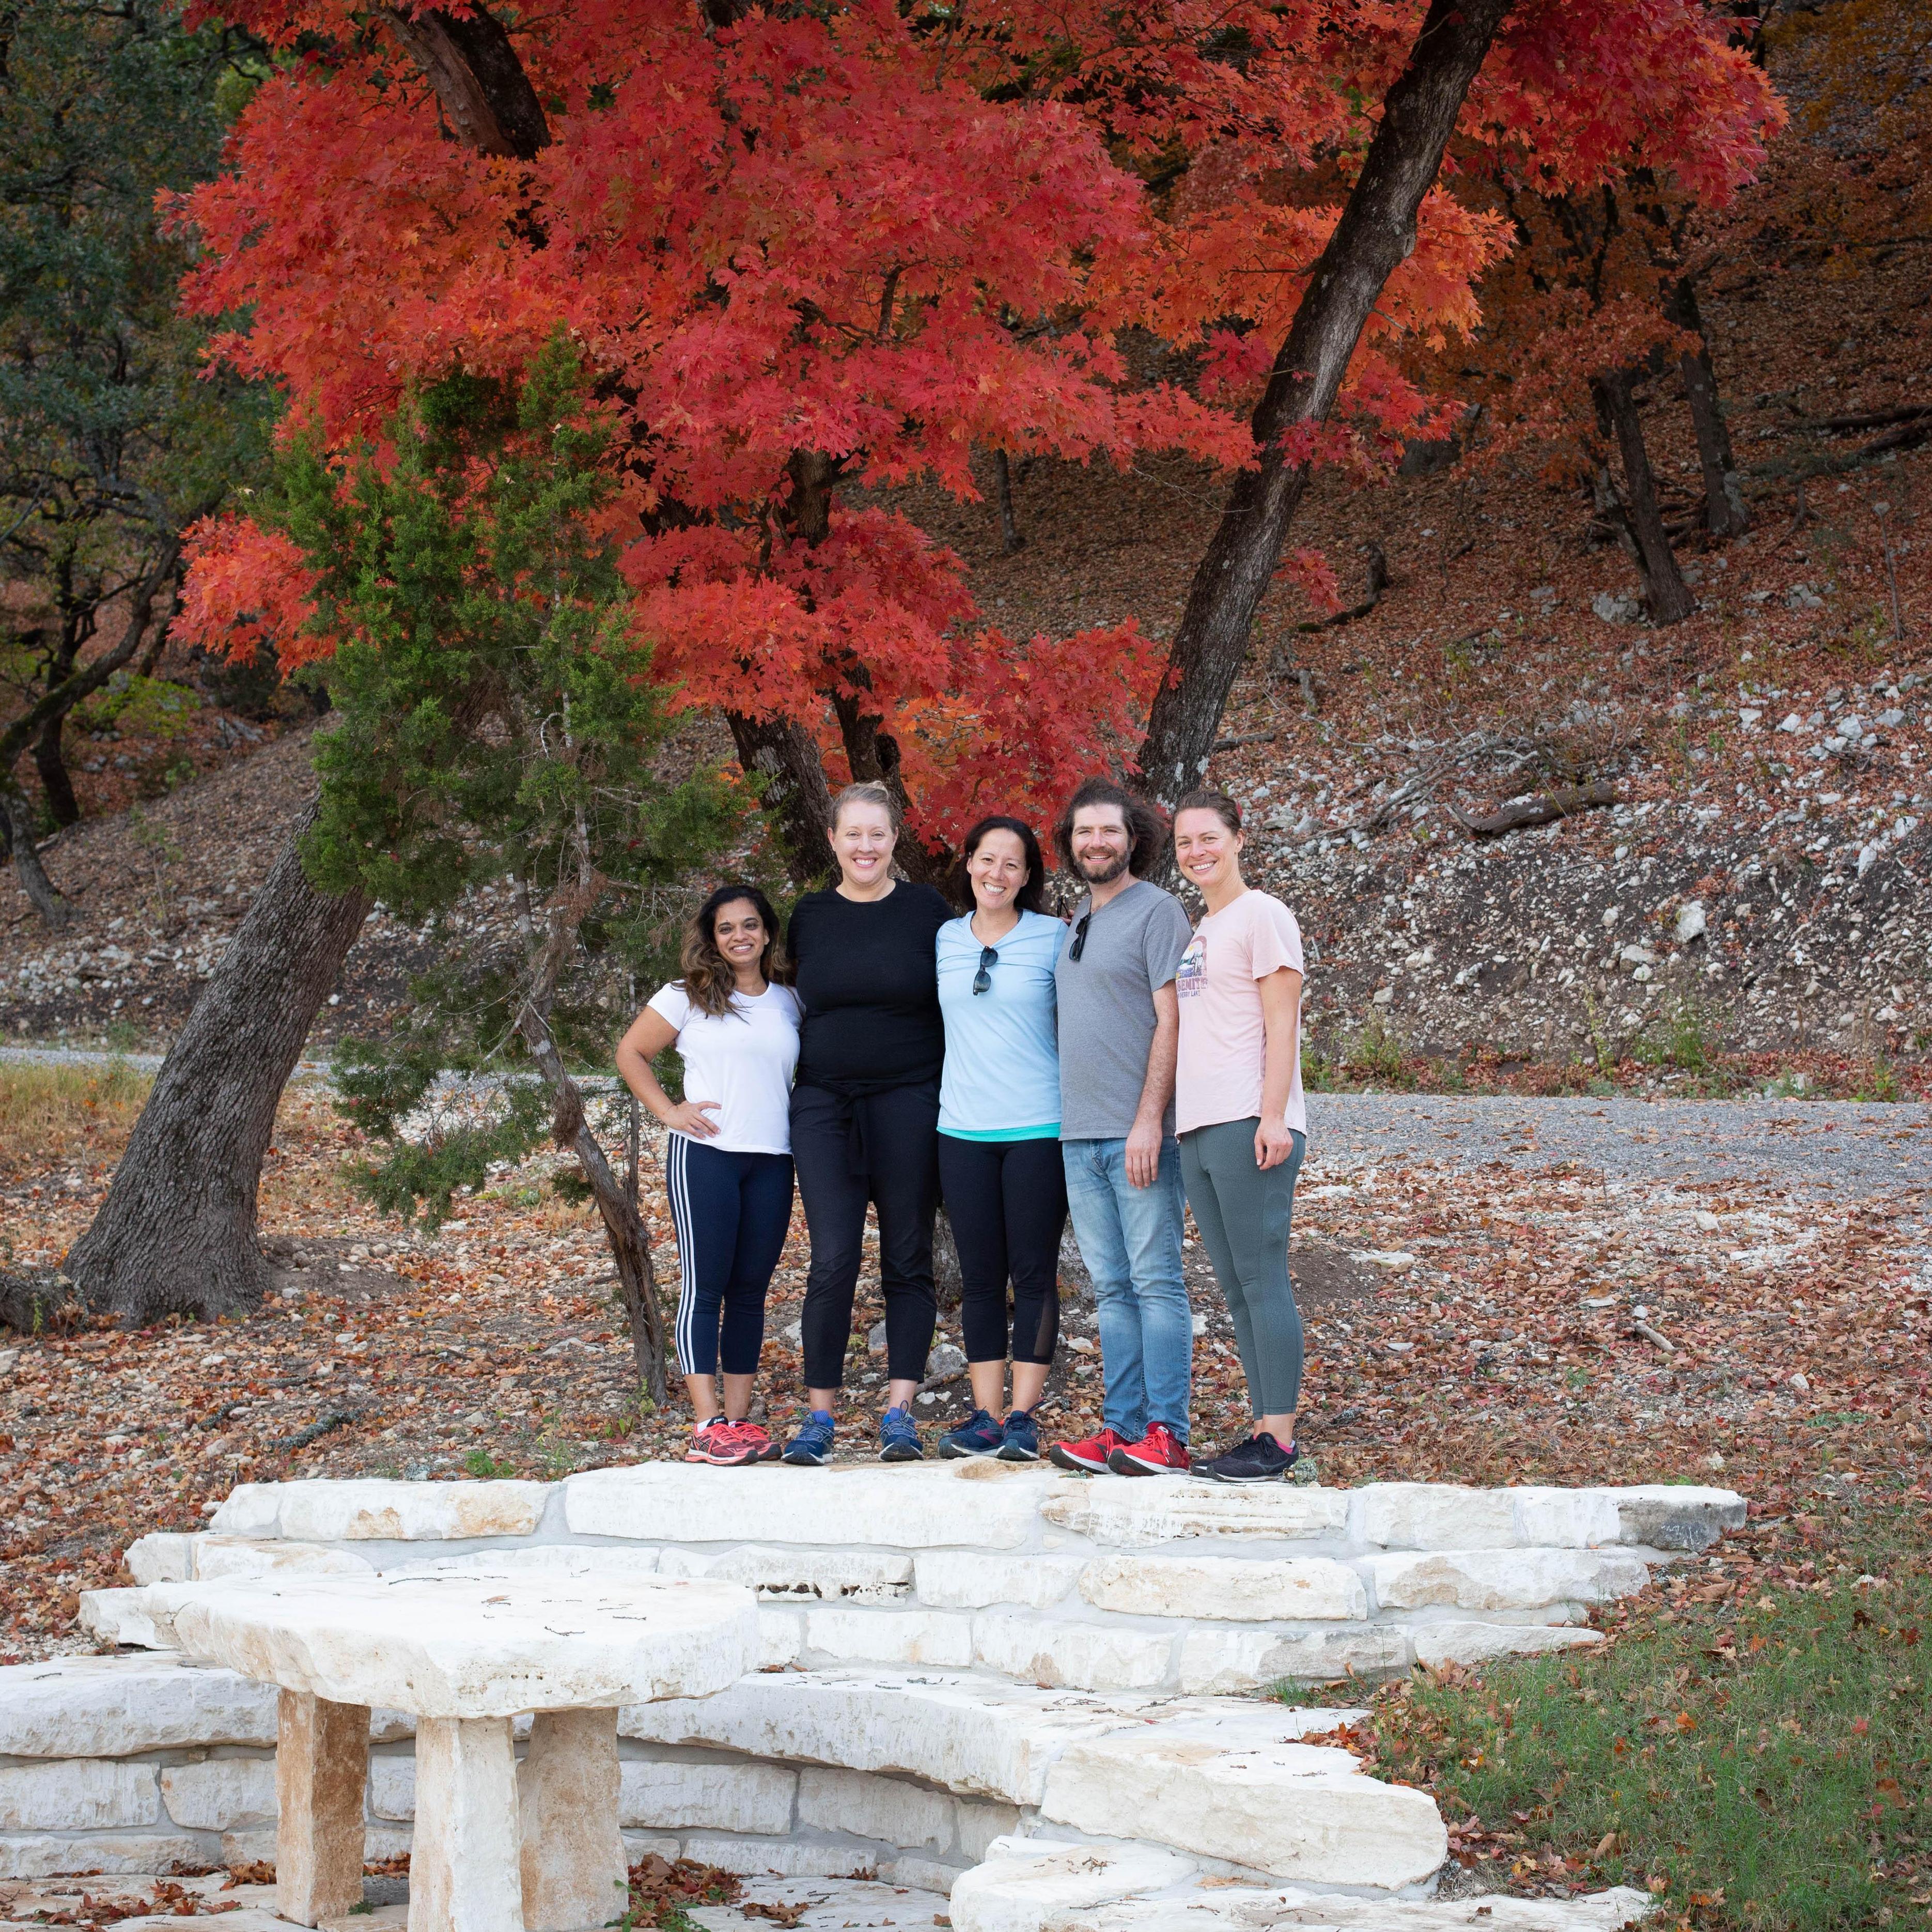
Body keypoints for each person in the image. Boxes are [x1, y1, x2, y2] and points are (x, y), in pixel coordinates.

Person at [781, 781, 952, 1464]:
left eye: (877, 834)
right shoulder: (810, 915)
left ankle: (899, 1412)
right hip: (824, 1104)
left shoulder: (926, 912)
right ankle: (819, 1418)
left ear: (894, 840)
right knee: (832, 1259)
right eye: (853, 834)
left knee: (907, 1258)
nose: (865, 847)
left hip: (909, 1101)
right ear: (832, 840)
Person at [616, 884, 801, 1467]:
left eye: (750, 925)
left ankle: (739, 1425)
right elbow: (630, 1053)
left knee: (750, 1291)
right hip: (707, 1156)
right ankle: (705, 1424)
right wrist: (669, 1111)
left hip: (772, 1158)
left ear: (767, 932)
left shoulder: (790, 1000)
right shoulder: (684, 996)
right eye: (726, 928)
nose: (739, 936)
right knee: (706, 1285)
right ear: (712, 938)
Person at [1047, 777, 1196, 1478]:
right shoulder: (1078, 918)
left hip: (1137, 1135)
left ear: (1133, 838)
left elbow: (1173, 1019)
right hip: (1078, 1137)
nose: (1096, 842)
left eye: (1109, 831)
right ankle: (1122, 1429)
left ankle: (1168, 1433)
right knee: (1112, 1289)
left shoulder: (1158, 911)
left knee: (1156, 1281)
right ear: (1070, 843)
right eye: (1084, 832)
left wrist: (1148, 1122)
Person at [1170, 790, 1308, 1484]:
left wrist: (1274, 1114)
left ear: (1238, 839)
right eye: (1185, 842)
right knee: (1234, 1284)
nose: (1198, 851)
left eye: (1209, 838)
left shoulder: (1263, 915)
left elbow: (1281, 1022)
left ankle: (1279, 1437)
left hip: (1246, 1120)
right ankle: (1261, 1423)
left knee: (1261, 1276)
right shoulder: (1203, 930)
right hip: (1197, 1125)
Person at [932, 816, 1068, 1462]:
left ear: (1027, 875)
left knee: (1033, 1275)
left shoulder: (1054, 938)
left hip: (1037, 1127)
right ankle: (983, 1414)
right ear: (968, 863)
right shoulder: (943, 939)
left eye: (1012, 864)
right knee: (981, 1278)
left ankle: (1021, 1415)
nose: (997, 873)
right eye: (987, 859)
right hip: (960, 1129)